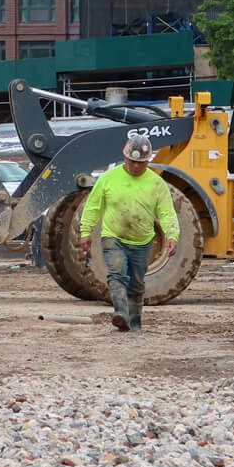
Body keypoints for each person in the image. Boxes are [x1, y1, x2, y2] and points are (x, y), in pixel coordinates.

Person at [79, 131, 178, 333]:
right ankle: (121, 313)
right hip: (113, 236)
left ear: (148, 160)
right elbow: (93, 207)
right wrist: (85, 231)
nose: (136, 166)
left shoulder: (157, 184)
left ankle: (135, 322)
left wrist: (172, 236)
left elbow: (167, 213)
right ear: (125, 157)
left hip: (142, 241)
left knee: (137, 282)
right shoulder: (108, 179)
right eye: (132, 161)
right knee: (116, 274)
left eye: (141, 163)